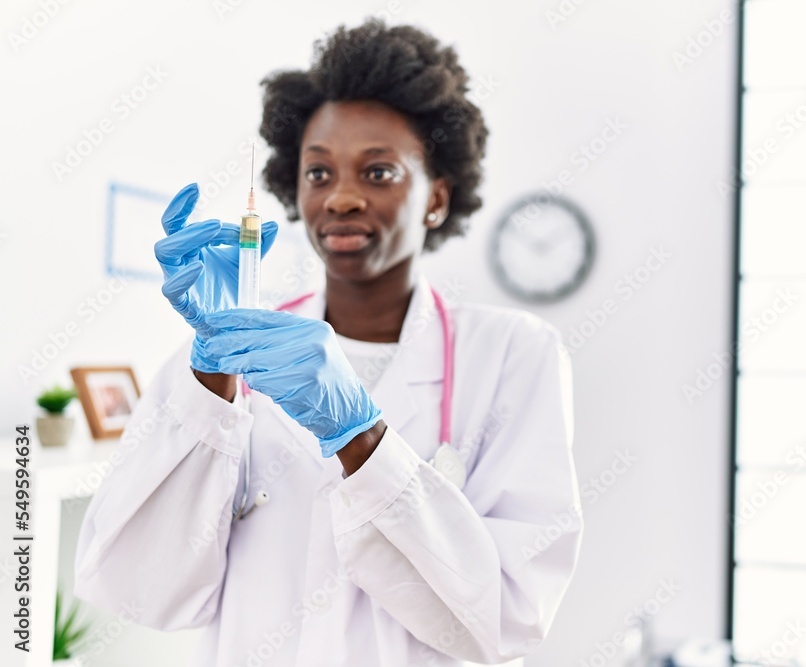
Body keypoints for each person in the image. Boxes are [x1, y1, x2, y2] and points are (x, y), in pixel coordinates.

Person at [74, 18, 583, 667]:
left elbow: (510, 616)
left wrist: (361, 437)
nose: (340, 197)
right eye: (318, 173)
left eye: (377, 172)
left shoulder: (513, 352)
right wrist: (211, 387)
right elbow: (137, 586)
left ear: (437, 198)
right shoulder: (227, 349)